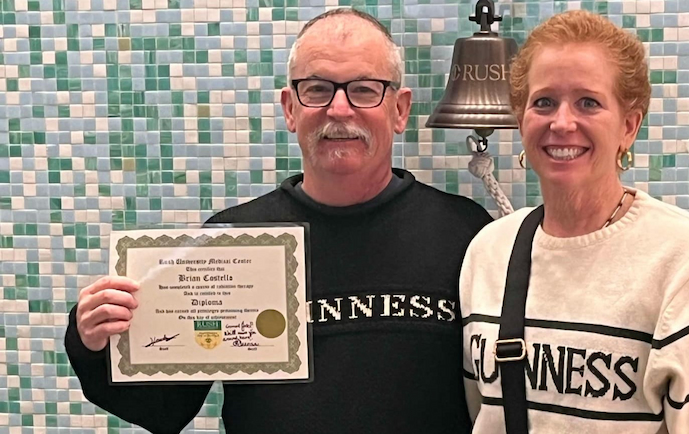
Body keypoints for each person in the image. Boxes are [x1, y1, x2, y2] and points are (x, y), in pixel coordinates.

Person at [66, 8, 493, 434]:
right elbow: (164, 408)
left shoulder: (466, 235)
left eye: (364, 90)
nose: (339, 109)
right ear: (290, 109)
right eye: (317, 89)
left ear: (399, 110)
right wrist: (94, 339)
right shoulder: (231, 242)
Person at [460, 10, 689, 433]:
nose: (562, 122)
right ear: (521, 120)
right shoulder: (488, 252)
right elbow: (484, 412)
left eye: (588, 103)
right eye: (544, 102)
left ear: (628, 127)